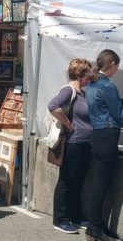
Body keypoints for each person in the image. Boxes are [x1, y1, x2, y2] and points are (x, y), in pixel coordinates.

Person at [47, 58, 93, 234]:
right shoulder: (69, 90)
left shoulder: (82, 92)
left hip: (84, 143)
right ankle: (60, 219)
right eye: (87, 73)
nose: (89, 77)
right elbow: (53, 106)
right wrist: (67, 123)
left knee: (78, 181)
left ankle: (75, 215)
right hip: (73, 143)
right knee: (67, 180)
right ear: (80, 74)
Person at [85, 50, 122, 241]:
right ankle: (94, 228)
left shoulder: (92, 83)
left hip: (98, 135)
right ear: (113, 64)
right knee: (102, 184)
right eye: (117, 66)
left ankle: (97, 225)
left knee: (100, 183)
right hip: (108, 135)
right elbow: (119, 116)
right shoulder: (108, 86)